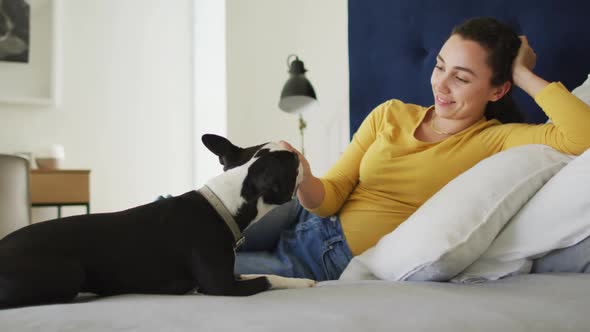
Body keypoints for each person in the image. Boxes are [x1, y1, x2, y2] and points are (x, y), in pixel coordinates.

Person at [235, 17, 590, 281]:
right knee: (189, 220)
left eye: (462, 78)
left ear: (497, 91)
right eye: (439, 67)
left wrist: (521, 72)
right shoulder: (390, 113)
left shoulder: (494, 140)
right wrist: (304, 175)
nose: (442, 84)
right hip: (302, 215)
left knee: (202, 269)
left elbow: (581, 135)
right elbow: (331, 196)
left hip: (326, 258)